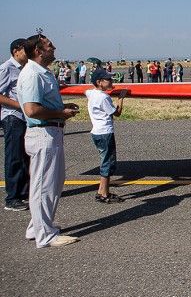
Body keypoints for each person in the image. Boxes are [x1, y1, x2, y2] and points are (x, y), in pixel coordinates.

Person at [17, 33, 80, 247]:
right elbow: (32, 109)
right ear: (38, 50)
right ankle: (45, 236)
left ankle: (37, 228)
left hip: (51, 133)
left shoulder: (42, 73)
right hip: (43, 133)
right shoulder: (33, 74)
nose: (54, 48)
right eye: (49, 45)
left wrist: (61, 111)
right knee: (44, 186)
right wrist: (61, 113)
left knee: (53, 183)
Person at [85, 68, 127, 203]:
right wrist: (121, 98)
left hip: (96, 132)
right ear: (99, 82)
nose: (111, 81)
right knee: (108, 163)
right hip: (105, 133)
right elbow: (117, 113)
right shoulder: (104, 97)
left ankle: (102, 190)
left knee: (105, 160)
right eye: (108, 79)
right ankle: (103, 193)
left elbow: (86, 91)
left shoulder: (91, 93)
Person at [0, 38, 30, 211]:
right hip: (13, 117)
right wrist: (20, 105)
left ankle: (22, 192)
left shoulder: (26, 68)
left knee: (25, 156)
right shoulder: (6, 68)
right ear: (16, 51)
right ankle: (12, 198)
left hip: (24, 117)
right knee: (14, 157)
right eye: (26, 50)